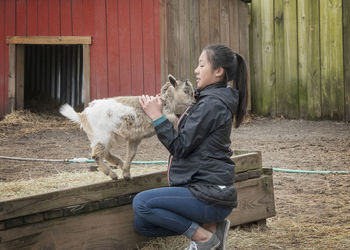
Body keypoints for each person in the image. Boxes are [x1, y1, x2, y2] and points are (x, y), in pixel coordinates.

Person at [134, 44, 248, 250]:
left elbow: (180, 147)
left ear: (218, 71)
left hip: (210, 194)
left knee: (142, 203)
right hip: (206, 190)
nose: (196, 70)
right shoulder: (209, 98)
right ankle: (211, 228)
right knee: (143, 224)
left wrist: (157, 118)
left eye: (201, 65)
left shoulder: (211, 104)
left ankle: (204, 238)